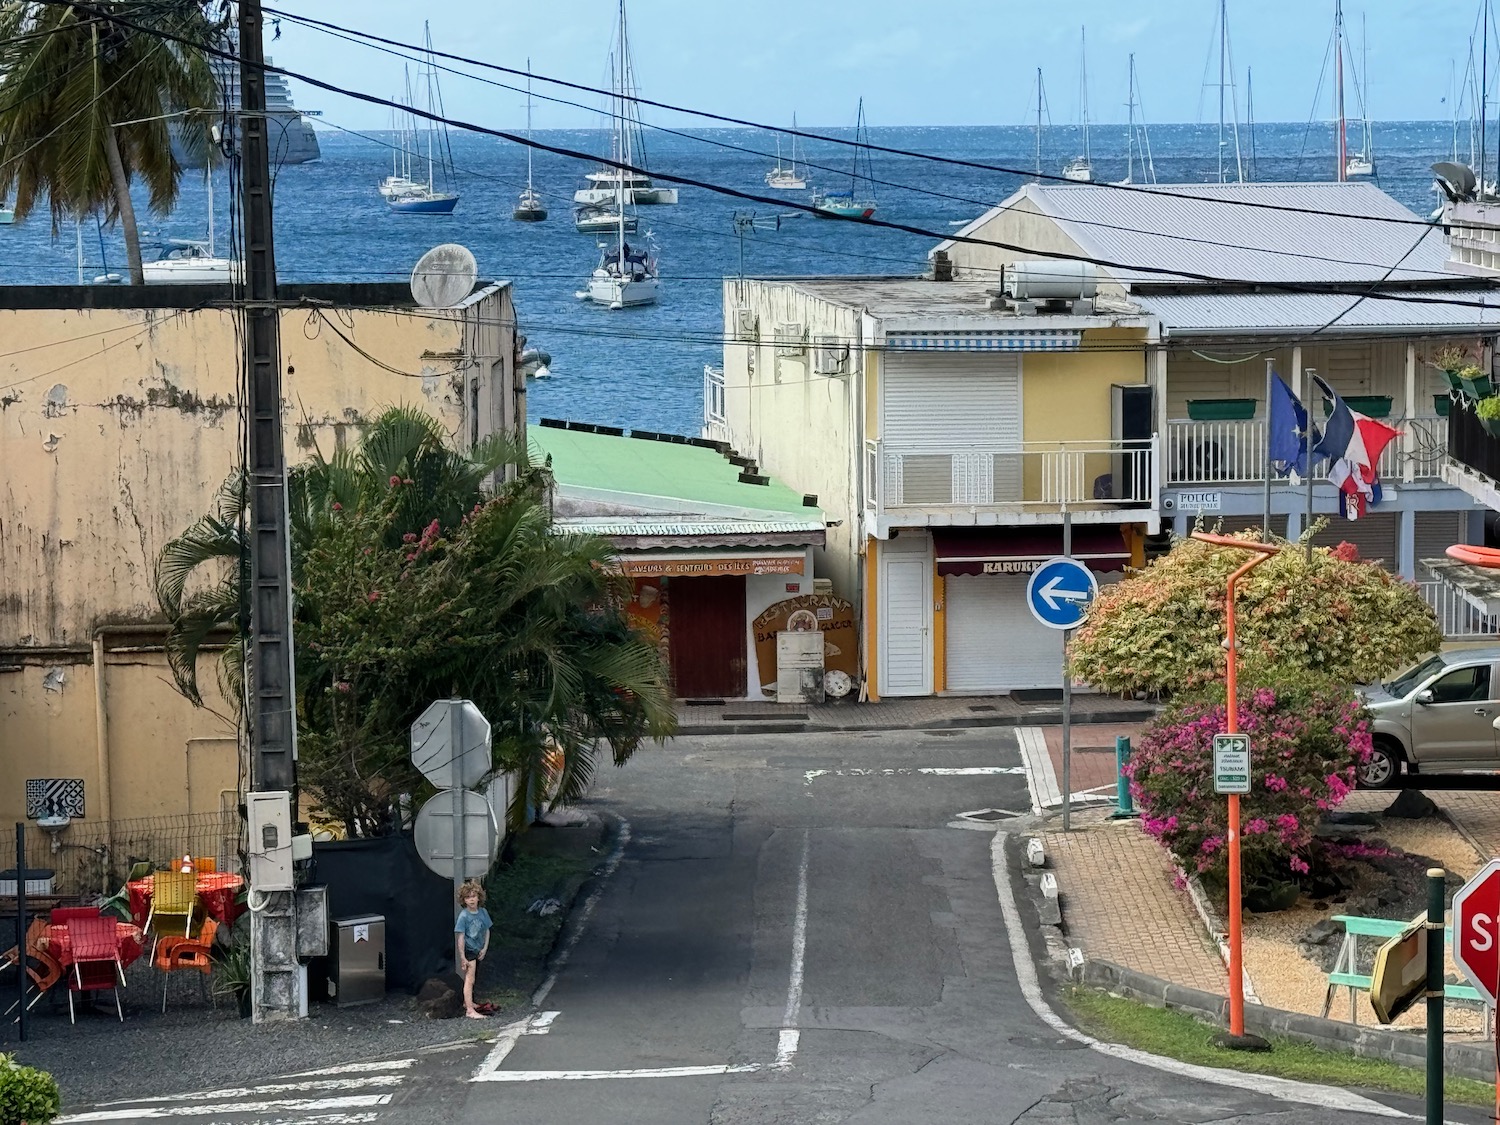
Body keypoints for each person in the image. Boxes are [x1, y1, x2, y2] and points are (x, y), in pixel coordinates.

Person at [453, 880, 492, 1019]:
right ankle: (469, 1010)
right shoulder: (464, 916)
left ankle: (468, 1002)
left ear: (479, 897)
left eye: (473, 896)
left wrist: (485, 948)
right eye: (468, 897)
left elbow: (487, 930)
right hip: (469, 950)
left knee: (473, 978)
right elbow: (461, 937)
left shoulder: (483, 912)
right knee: (469, 979)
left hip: (478, 948)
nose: (471, 900)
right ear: (464, 900)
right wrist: (462, 956)